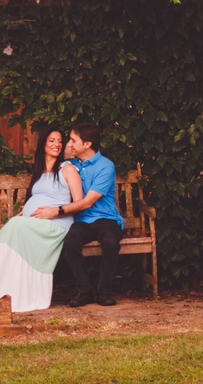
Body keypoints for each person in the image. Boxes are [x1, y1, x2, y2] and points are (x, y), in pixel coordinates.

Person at [0, 127, 83, 312]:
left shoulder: (68, 169)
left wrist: (54, 212)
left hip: (57, 224)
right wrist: (26, 213)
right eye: (52, 141)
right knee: (14, 223)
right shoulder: (39, 171)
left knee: (15, 224)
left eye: (59, 141)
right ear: (43, 144)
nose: (57, 145)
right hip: (36, 225)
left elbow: (79, 204)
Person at [30, 122, 124, 307]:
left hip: (106, 218)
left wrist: (56, 211)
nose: (69, 144)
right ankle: (85, 292)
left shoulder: (106, 166)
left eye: (73, 140)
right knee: (70, 242)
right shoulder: (70, 165)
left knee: (111, 243)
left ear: (87, 144)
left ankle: (104, 293)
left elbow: (88, 201)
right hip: (81, 220)